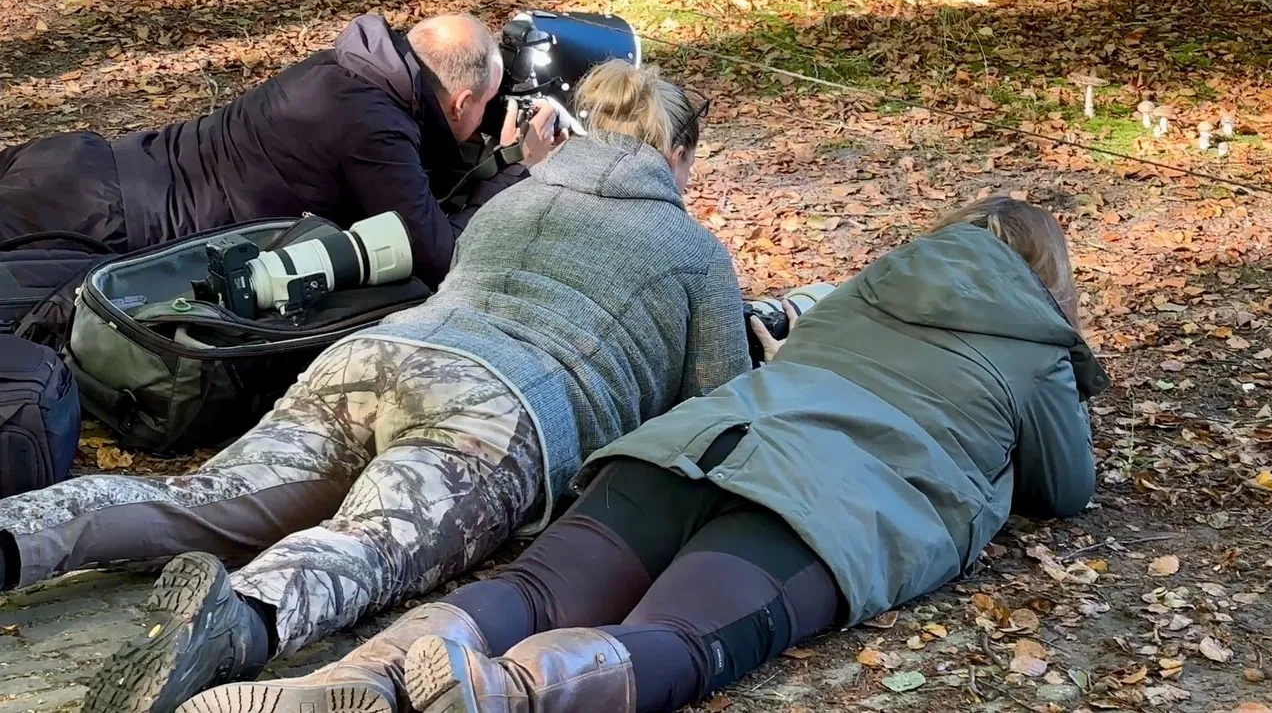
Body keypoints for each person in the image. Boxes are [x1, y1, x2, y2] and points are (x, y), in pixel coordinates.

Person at [0, 61, 751, 713]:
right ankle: (241, 619)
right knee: (368, 540)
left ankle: (18, 534)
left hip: (376, 356)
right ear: (676, 154)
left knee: (206, 495)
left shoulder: (513, 200)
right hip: (499, 407)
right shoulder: (693, 251)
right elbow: (723, 404)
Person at [203, 194, 1104, 713]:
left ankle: (361, 676)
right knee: (678, 639)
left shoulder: (865, 288)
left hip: (694, 444)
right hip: (820, 503)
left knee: (535, 589)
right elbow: (1065, 487)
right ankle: (505, 696)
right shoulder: (1033, 343)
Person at [0, 12, 560, 288]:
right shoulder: (373, 129)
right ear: (460, 102)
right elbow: (438, 259)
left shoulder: (350, 67)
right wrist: (514, 170)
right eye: (488, 103)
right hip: (100, 224)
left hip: (79, 163)